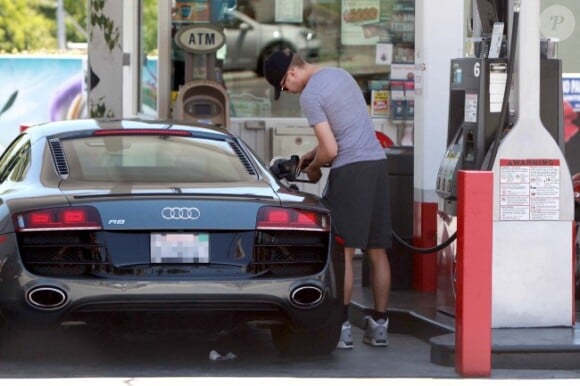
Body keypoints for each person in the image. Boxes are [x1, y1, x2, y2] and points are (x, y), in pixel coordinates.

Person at [263, 49, 393, 349]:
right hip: (376, 164)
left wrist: (314, 167)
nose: (288, 92)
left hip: (351, 172)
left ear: (292, 74)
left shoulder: (311, 95)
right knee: (377, 249)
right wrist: (311, 156)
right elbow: (344, 133)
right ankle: (379, 325)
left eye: (284, 86)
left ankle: (343, 327)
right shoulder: (339, 74)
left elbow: (332, 150)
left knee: (344, 251)